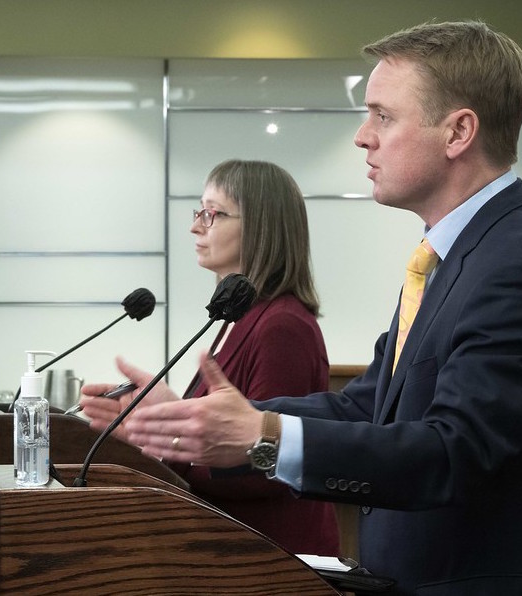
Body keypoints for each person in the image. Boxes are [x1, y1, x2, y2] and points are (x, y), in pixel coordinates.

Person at [113, 21, 522, 596]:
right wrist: (204, 419)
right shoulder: (448, 259)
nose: (361, 136)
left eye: (382, 116)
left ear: (458, 132)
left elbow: (451, 453)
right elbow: (368, 408)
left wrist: (263, 435)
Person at [80, 159, 340, 556]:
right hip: (229, 548)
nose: (196, 226)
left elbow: (264, 465)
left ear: (259, 226)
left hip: (273, 559)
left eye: (212, 214)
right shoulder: (238, 320)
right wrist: (153, 434)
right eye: (198, 212)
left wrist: (170, 438)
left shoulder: (283, 327)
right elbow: (221, 435)